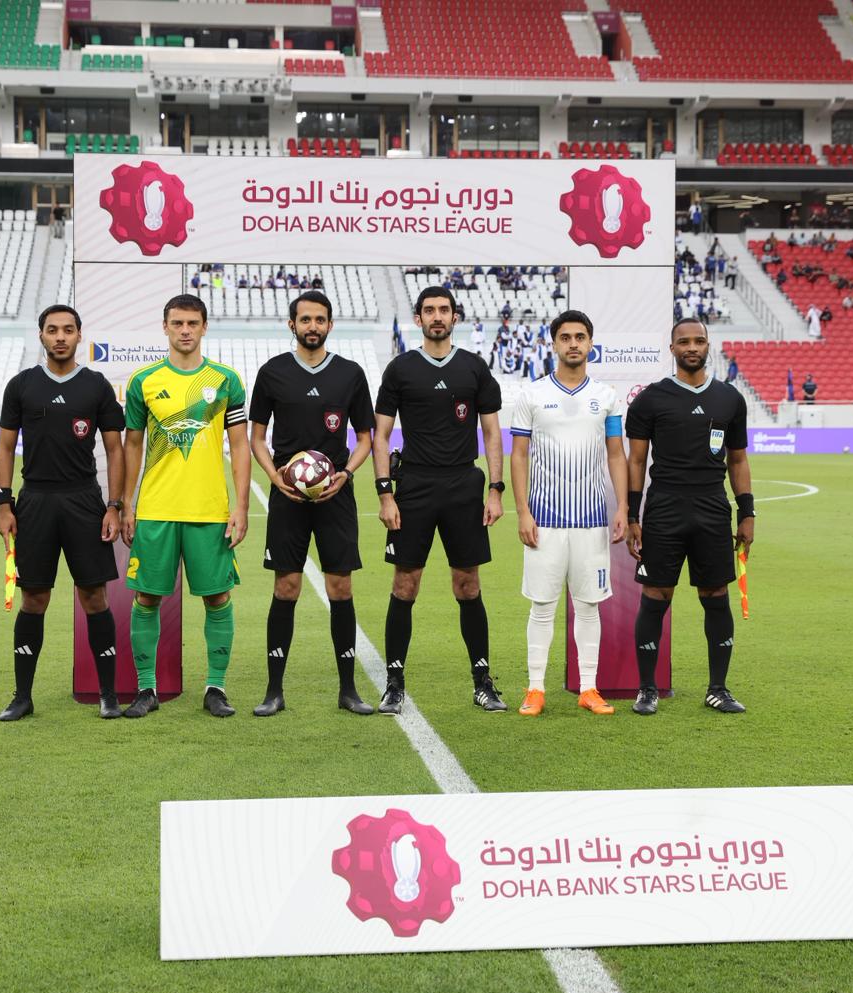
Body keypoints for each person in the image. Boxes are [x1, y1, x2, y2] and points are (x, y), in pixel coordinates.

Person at [373, 285, 506, 714]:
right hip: (414, 485)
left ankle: (482, 682)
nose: (437, 316)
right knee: (405, 584)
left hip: (464, 485)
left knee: (468, 584)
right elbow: (380, 436)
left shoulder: (474, 367)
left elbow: (491, 433)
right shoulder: (400, 369)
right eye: (429, 310)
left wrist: (496, 489)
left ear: (454, 317)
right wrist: (385, 493)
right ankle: (394, 683)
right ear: (418, 319)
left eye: (443, 310)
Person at [0, 304, 127, 723]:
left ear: (79, 335)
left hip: (84, 501)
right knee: (34, 598)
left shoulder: (96, 385)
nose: (60, 337)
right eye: (52, 330)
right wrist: (3, 504)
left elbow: (115, 450)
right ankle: (22, 696)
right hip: (34, 501)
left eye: (68, 330)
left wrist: (114, 505)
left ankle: (108, 695)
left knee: (94, 596)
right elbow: (5, 447)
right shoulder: (22, 385)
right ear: (41, 335)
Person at [120, 294, 251, 720]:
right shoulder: (143, 381)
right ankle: (146, 689)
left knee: (217, 597)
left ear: (204, 326)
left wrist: (241, 506)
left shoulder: (226, 380)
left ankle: (216, 687)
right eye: (177, 323)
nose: (185, 330)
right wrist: (126, 505)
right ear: (165, 327)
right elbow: (132, 445)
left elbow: (239, 444)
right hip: (156, 508)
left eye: (192, 323)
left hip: (208, 510)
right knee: (146, 597)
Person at [246, 291, 376, 717]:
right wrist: (275, 477)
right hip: (289, 496)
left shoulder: (350, 374)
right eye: (305, 320)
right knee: (286, 587)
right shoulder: (272, 372)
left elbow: (365, 438)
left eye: (320, 319)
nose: (313, 326)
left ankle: (348, 690)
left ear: (330, 325)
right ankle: (274, 691)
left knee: (341, 587)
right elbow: (257, 438)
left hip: (335, 495)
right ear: (292, 325)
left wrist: (346, 474)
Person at [625, 318, 753, 716]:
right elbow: (636, 461)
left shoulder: (729, 398)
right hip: (664, 509)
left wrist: (747, 512)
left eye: (699, 341)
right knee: (656, 595)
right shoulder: (650, 399)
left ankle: (718, 688)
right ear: (672, 348)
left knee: (715, 595)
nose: (692, 347)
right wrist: (632, 514)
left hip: (712, 509)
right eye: (684, 342)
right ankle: (647, 689)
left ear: (708, 345)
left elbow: (738, 460)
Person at [509, 310, 628, 717]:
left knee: (589, 606)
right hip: (544, 520)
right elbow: (519, 455)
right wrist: (523, 512)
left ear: (590, 343)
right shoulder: (531, 395)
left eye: (580, 337)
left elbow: (616, 454)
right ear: (554, 343)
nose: (573, 343)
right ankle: (535, 688)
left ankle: (588, 688)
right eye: (565, 337)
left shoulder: (607, 397)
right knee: (542, 606)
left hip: (592, 521)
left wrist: (622, 506)